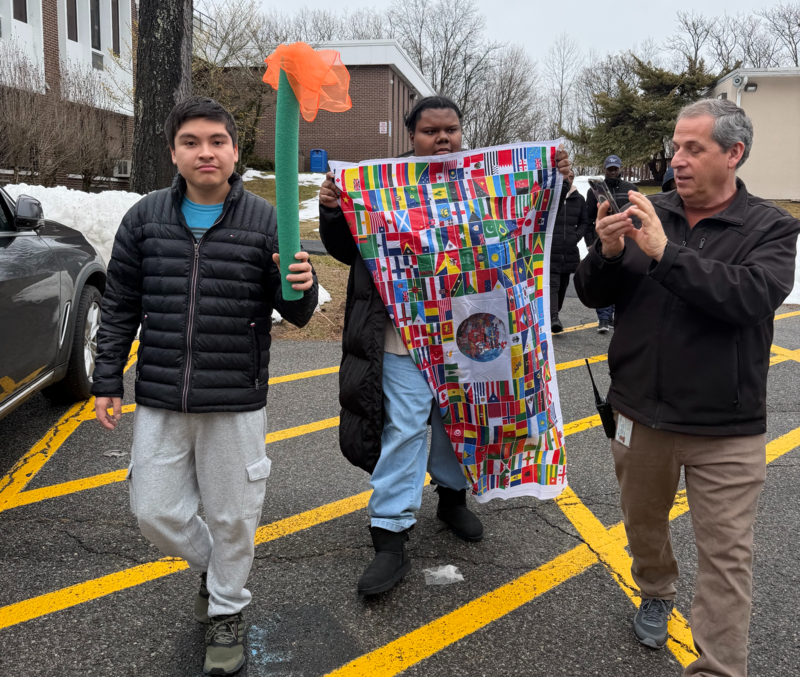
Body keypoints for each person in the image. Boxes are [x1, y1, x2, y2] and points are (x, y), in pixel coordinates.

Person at [91, 97, 318, 675]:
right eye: (191, 141)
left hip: (236, 398)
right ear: (173, 152)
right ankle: (220, 571)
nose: (205, 151)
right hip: (163, 394)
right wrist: (107, 377)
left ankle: (225, 610)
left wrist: (304, 284)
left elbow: (295, 313)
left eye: (217, 140)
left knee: (235, 514)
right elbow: (119, 305)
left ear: (235, 151)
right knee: (153, 510)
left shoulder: (267, 220)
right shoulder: (144, 219)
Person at [574, 99, 800, 677]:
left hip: (725, 429)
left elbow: (748, 298)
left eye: (693, 148)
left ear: (734, 153)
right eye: (676, 146)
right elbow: (595, 294)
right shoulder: (650, 212)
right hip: (639, 417)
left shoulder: (771, 229)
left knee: (727, 559)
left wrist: (665, 255)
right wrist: (606, 252)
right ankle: (654, 589)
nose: (677, 159)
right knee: (642, 525)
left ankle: (719, 668)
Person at [318, 95, 572, 596]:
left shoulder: (486, 186)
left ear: (461, 132)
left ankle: (453, 498)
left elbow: (528, 230)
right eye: (430, 131)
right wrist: (333, 211)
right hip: (401, 341)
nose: (442, 139)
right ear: (411, 137)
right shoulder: (383, 189)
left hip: (473, 332)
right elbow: (348, 250)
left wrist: (553, 180)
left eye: (450, 130)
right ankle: (389, 535)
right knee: (406, 429)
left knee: (469, 417)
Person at [584, 155, 639, 333]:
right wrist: (590, 242)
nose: (613, 172)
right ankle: (603, 319)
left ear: (620, 169)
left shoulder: (630, 189)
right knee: (604, 278)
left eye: (615, 168)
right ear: (605, 169)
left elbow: (637, 215)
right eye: (610, 169)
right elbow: (589, 219)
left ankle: (617, 316)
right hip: (604, 240)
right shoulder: (596, 190)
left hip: (627, 239)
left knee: (624, 279)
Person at [549, 169, 588, 333]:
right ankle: (553, 318)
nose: (569, 179)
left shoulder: (579, 199)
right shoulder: (551, 198)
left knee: (564, 285)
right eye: (566, 176)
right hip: (551, 250)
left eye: (571, 177)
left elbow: (584, 222)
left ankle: (555, 313)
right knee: (553, 284)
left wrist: (575, 237)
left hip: (569, 251)